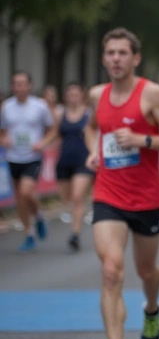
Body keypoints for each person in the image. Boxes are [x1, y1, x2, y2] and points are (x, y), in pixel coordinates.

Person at [84, 28, 159, 339]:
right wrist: (93, 152)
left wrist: (142, 140)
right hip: (108, 194)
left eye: (122, 53)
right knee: (111, 270)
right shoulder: (97, 95)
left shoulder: (152, 94)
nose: (116, 58)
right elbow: (91, 127)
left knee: (146, 271)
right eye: (110, 53)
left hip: (147, 199)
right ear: (104, 58)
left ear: (135, 58)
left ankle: (152, 309)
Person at [0, 71, 54, 251]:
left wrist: (43, 143)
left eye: (22, 83)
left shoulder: (40, 106)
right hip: (13, 156)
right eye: (16, 84)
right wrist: (4, 139)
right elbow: (2, 131)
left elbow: (52, 129)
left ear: (29, 85)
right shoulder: (6, 107)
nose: (19, 87)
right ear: (12, 86)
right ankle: (28, 234)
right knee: (19, 198)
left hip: (32, 157)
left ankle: (38, 215)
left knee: (26, 192)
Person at [53, 82, 94, 251]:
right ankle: (79, 215)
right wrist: (39, 144)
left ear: (82, 95)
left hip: (83, 160)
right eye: (70, 94)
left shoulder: (89, 114)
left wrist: (95, 153)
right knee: (67, 198)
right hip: (64, 161)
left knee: (77, 196)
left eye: (76, 94)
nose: (73, 97)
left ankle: (75, 235)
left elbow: (96, 133)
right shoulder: (59, 114)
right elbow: (54, 134)